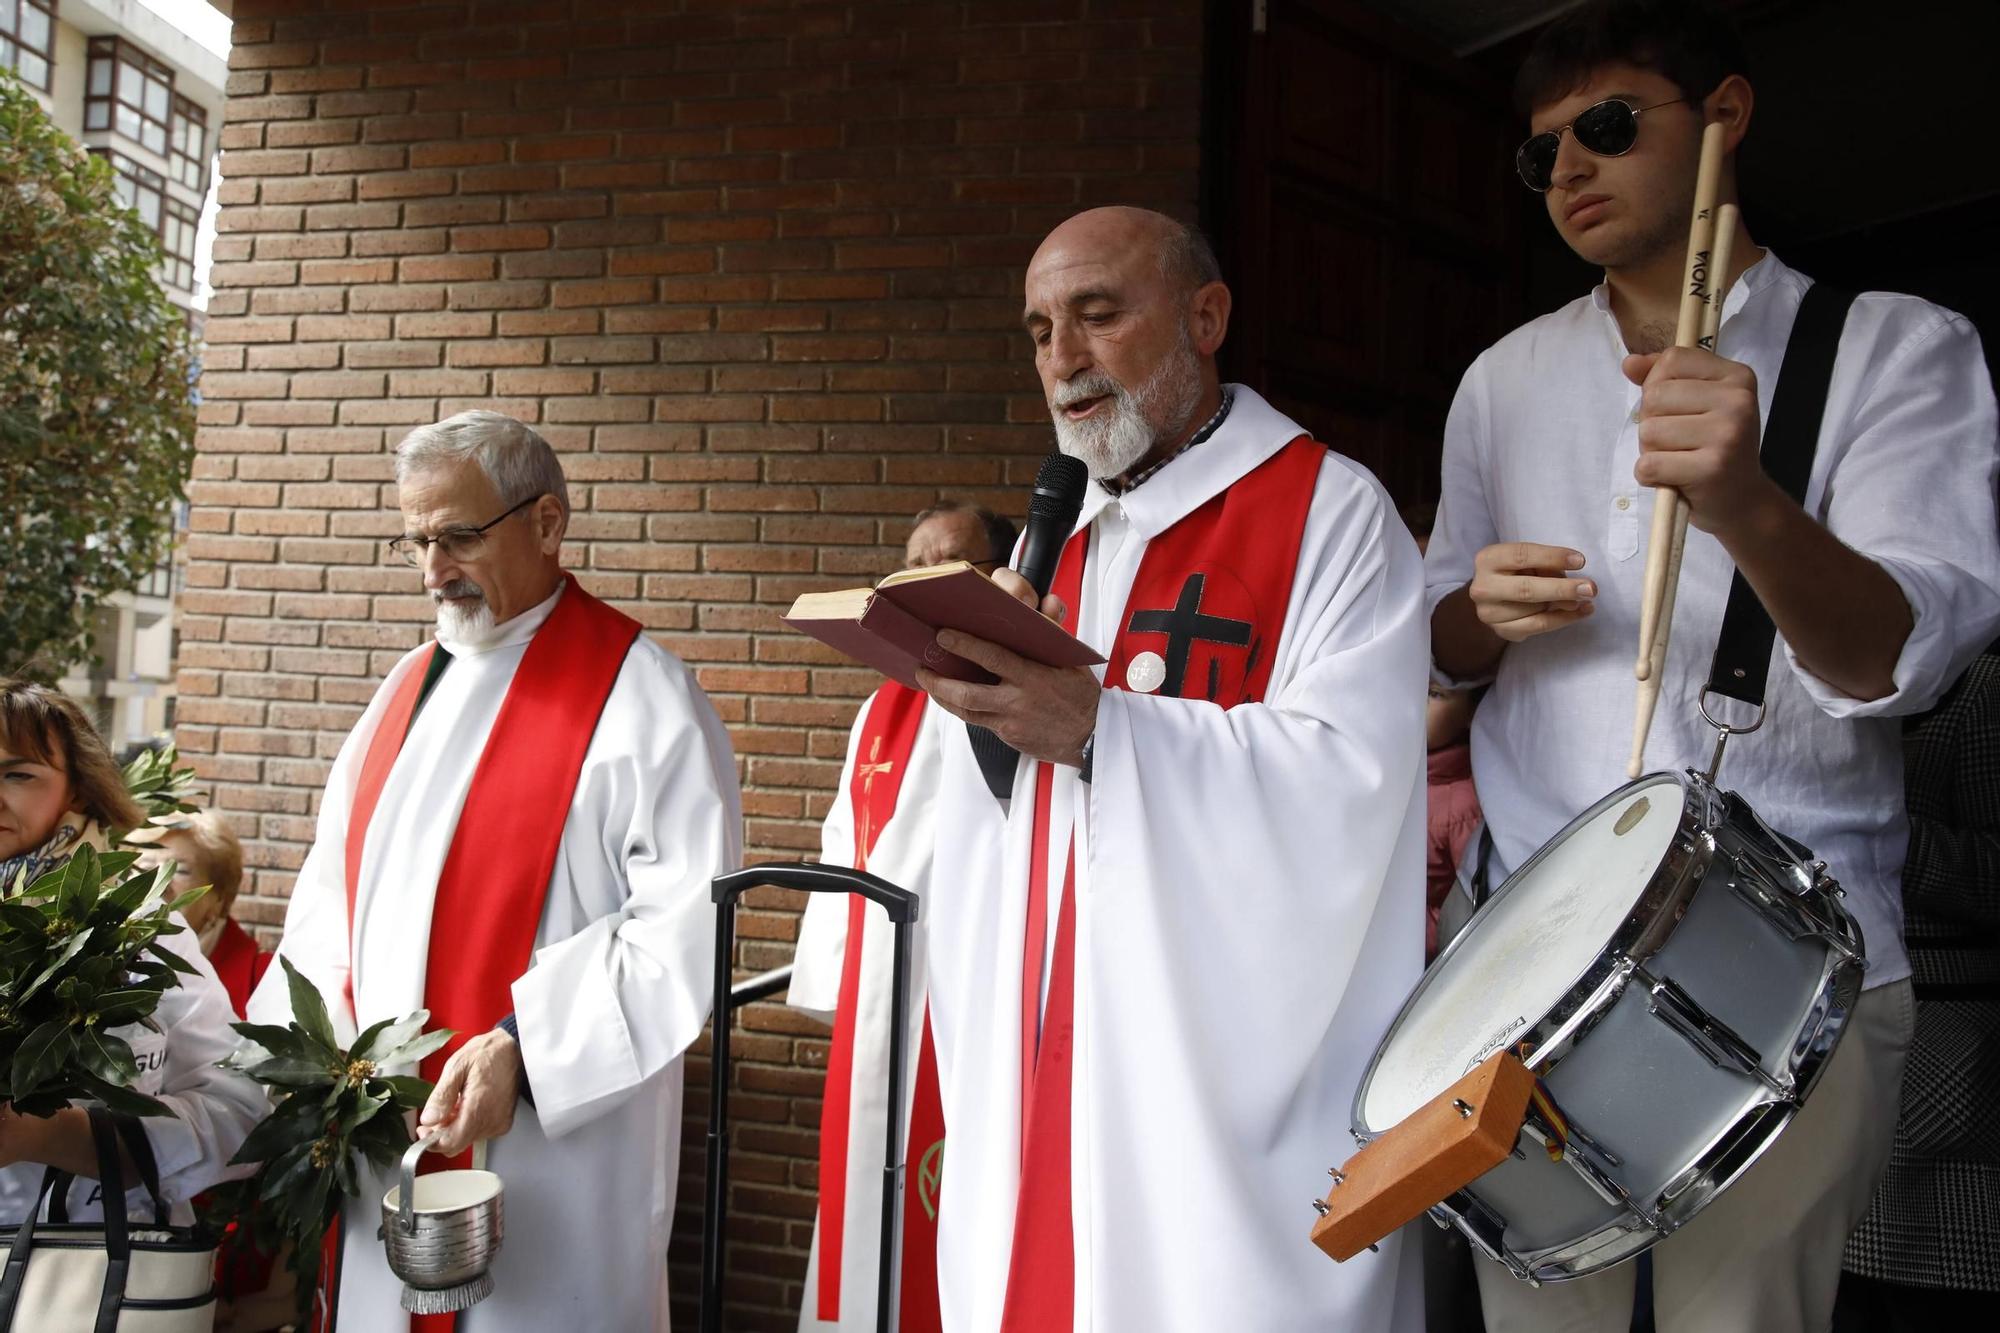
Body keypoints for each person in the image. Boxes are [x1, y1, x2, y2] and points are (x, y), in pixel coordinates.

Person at [1423, 4, 2000, 1330]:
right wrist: (1470, 618)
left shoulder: (1893, 347)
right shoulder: (1501, 381)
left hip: (1788, 945)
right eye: (1542, 152)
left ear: (1726, 116)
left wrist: (1748, 501)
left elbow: (1896, 659)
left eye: (1607, 128)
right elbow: (1431, 655)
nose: (1567, 168)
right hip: (1530, 946)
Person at [913, 206, 1427, 1331]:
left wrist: (1105, 730)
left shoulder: (1331, 512)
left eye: (1098, 316)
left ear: (1205, 318)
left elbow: (1349, 786)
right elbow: (1010, 829)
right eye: (1040, 329)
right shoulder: (1064, 538)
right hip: (1049, 1048)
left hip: (1214, 1086)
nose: (1062, 360)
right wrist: (979, 714)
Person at [249, 411, 742, 1331]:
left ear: (547, 523)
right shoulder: (402, 691)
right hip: (387, 1151)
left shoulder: (644, 697)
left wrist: (527, 1045)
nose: (435, 570)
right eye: (418, 541)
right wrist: (303, 1060)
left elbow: (687, 929)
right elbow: (328, 900)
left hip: (555, 1157)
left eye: (459, 536)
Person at [790, 502, 1016, 1333]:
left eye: (947, 562)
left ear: (997, 580)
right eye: (910, 565)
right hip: (882, 998)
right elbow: (845, 840)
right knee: (862, 1220)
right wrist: (839, 986)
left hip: (975, 1000)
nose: (921, 582)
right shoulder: (881, 707)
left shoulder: (1026, 691)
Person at [0, 679, 263, 1225]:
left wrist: (54, 1135)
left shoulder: (139, 925)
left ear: (76, 790)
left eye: (17, 774)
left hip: (88, 1281)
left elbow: (242, 1115)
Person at [1836, 650, 2000, 1329]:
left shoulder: (1980, 689)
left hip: (1949, 1086)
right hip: (1822, 1066)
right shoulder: (1793, 696)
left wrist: (1887, 835)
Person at [131, 810, 267, 1015]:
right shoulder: (93, 967)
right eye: (145, 868)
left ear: (220, 897)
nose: (159, 884)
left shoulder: (264, 981)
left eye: (180, 871)